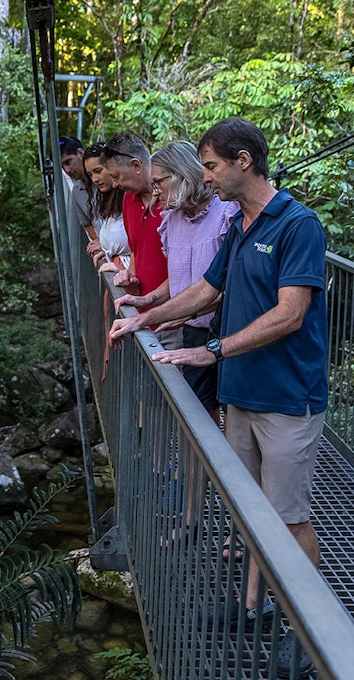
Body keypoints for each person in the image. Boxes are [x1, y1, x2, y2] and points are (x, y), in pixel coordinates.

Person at [109, 118, 328, 678]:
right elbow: (208, 289)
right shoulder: (240, 225)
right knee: (250, 509)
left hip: (286, 397)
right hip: (242, 391)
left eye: (211, 166)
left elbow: (291, 311)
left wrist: (215, 349)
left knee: (287, 518)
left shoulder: (298, 224)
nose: (205, 178)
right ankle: (253, 607)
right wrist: (146, 320)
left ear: (243, 161)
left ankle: (306, 631)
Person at [112, 140, 238, 421]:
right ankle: (200, 466)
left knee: (232, 412)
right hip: (193, 328)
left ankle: (228, 464)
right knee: (200, 410)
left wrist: (169, 312)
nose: (155, 192)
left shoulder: (227, 214)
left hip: (229, 329)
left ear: (181, 176)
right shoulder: (172, 219)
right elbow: (179, 277)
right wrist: (150, 299)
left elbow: (221, 286)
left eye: (159, 183)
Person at [99, 133, 175, 347]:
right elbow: (135, 250)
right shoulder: (127, 199)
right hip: (141, 318)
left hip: (174, 322)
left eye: (117, 176)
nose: (114, 184)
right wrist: (129, 277)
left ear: (136, 165)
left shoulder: (171, 202)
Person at [82, 142, 130, 273]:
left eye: (98, 171)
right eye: (90, 175)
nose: (94, 179)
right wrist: (107, 250)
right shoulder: (110, 202)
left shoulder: (132, 196)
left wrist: (123, 267)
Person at [59, 136, 99, 246]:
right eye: (62, 167)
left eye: (68, 162)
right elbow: (88, 226)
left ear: (81, 153)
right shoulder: (77, 192)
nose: (67, 170)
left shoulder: (107, 177)